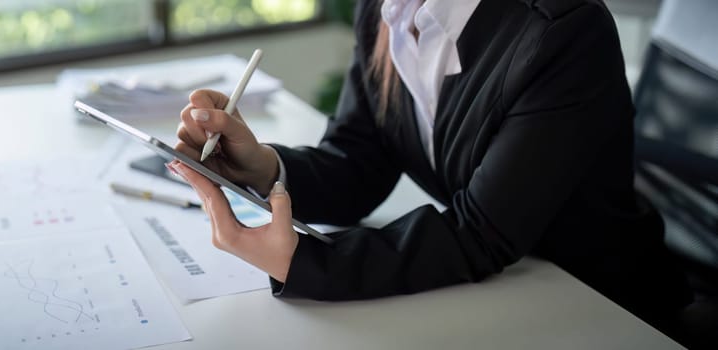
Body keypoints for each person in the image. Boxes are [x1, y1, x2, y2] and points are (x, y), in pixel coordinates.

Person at [169, 0, 692, 330]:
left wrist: (305, 263)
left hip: (599, 307)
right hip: (505, 290)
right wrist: (261, 167)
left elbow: (482, 232)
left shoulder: (564, 30)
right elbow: (358, 163)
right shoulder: (384, 10)